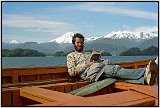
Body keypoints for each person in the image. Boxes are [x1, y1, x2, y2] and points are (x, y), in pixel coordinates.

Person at [67, 33, 158, 86]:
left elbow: (95, 63)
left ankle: (145, 80)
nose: (80, 44)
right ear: (73, 43)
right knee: (115, 70)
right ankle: (145, 70)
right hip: (89, 73)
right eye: (78, 42)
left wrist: (97, 58)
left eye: (82, 43)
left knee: (117, 75)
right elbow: (71, 71)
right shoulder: (71, 56)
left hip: (98, 68)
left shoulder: (87, 54)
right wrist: (87, 65)